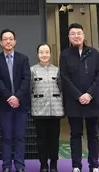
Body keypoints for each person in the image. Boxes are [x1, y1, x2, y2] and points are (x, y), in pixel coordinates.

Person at [59, 23, 99, 172]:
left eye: (79, 33)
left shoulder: (94, 53)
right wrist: (78, 95)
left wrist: (89, 94)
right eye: (73, 34)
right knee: (75, 134)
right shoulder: (65, 54)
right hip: (74, 100)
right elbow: (64, 77)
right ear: (69, 37)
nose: (76, 36)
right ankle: (76, 165)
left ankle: (94, 165)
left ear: (84, 35)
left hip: (92, 100)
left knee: (93, 134)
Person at [0, 29, 30, 172]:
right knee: (6, 137)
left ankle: (20, 165)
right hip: (5, 104)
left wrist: (17, 97)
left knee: (20, 137)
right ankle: (6, 165)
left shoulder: (23, 59)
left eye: (11, 38)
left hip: (21, 104)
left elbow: (26, 80)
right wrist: (9, 97)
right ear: (1, 42)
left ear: (15, 41)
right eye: (5, 39)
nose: (8, 41)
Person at [31, 44, 65, 172]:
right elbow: (30, 89)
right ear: (37, 54)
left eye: (47, 52)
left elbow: (62, 89)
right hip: (39, 110)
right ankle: (43, 165)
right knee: (41, 140)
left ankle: (54, 165)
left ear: (50, 54)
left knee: (54, 140)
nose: (44, 55)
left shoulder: (57, 70)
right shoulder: (32, 70)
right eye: (41, 52)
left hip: (55, 110)